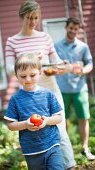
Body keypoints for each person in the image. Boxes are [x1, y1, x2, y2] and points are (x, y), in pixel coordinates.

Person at [5, 0, 76, 169]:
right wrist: (30, 59)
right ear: (21, 16)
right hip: (29, 90)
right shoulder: (12, 41)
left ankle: (70, 165)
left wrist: (62, 66)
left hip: (50, 88)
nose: (33, 22)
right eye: (29, 17)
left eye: (36, 18)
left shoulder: (45, 37)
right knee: (35, 128)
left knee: (61, 129)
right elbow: (9, 69)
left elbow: (55, 61)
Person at [4, 53, 64, 170]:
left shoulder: (48, 94)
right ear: (16, 76)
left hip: (52, 144)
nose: (28, 79)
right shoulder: (15, 99)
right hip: (31, 150)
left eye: (32, 75)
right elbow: (11, 125)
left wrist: (46, 121)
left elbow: (59, 118)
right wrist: (25, 124)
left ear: (40, 73)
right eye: (23, 76)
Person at [55, 17, 95, 160]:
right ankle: (66, 150)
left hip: (79, 88)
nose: (73, 31)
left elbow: (89, 63)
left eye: (76, 29)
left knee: (83, 118)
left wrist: (83, 70)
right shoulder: (56, 46)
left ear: (78, 30)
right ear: (66, 27)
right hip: (62, 89)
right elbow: (54, 65)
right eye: (71, 28)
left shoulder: (83, 47)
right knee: (62, 120)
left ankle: (85, 148)